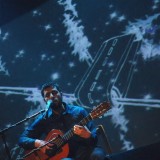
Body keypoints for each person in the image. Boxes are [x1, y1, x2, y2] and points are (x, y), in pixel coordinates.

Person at [18, 82, 106, 160]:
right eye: (47, 95)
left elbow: (94, 140)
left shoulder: (79, 111)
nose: (51, 96)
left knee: (97, 155)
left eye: (54, 92)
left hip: (86, 151)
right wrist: (39, 143)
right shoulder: (44, 119)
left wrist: (88, 135)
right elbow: (22, 139)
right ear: (45, 100)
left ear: (61, 94)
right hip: (64, 157)